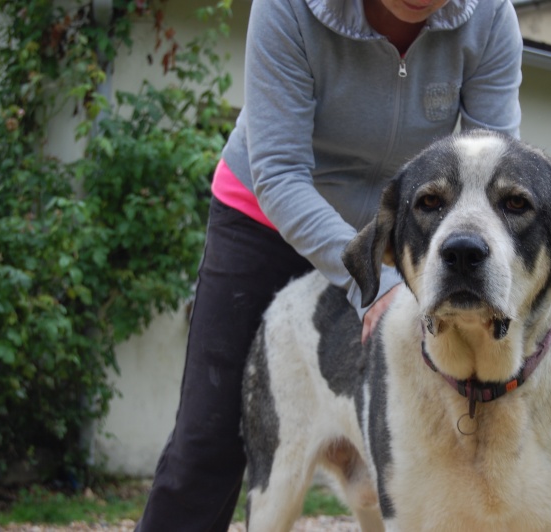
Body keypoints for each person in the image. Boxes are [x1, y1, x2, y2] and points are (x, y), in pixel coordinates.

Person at [136, 0, 522, 529]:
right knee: (213, 435)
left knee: (414, 436)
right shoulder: (286, 9)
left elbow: (492, 164)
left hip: (388, 237)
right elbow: (280, 173)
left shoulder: (492, 18)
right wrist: (374, 282)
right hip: (264, 218)